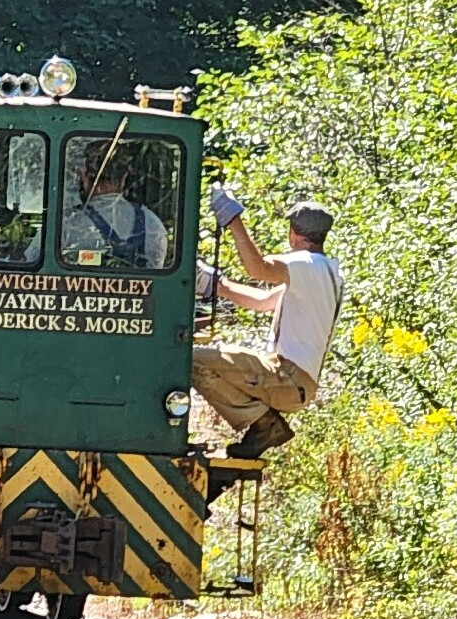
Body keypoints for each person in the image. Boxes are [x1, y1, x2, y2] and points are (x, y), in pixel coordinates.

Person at [192, 188, 344, 459]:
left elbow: (257, 269)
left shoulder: (305, 263)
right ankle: (263, 425)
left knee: (190, 360)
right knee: (207, 360)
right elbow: (262, 301)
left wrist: (233, 219)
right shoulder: (328, 273)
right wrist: (215, 284)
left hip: (286, 376)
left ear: (293, 234)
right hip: (297, 383)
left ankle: (264, 424)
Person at [27, 140, 168, 267]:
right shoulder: (152, 224)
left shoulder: (66, 224)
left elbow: (32, 262)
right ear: (124, 177)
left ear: (84, 176)